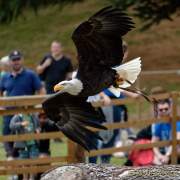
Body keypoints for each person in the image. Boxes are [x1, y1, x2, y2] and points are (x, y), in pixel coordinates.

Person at [0, 50, 45, 160]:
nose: (16, 62)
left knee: (29, 145)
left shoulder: (30, 74)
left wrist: (38, 107)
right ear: (10, 62)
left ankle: (28, 174)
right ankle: (14, 173)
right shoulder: (5, 77)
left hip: (27, 116)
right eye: (14, 60)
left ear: (22, 60)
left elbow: (41, 91)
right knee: (9, 144)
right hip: (9, 116)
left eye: (18, 59)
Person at [9, 113, 40, 180]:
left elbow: (38, 126)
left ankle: (32, 178)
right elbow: (11, 126)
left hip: (33, 143)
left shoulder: (34, 115)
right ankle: (25, 178)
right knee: (24, 163)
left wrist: (38, 130)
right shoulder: (18, 116)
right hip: (23, 144)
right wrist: (21, 124)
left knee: (33, 161)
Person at [152, 99, 180, 165]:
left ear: (170, 109)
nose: (164, 111)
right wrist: (159, 155)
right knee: (155, 160)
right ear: (158, 111)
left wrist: (167, 155)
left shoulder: (177, 122)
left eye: (166, 109)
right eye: (161, 110)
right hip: (166, 151)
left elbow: (177, 141)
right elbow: (154, 143)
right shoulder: (158, 124)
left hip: (175, 149)